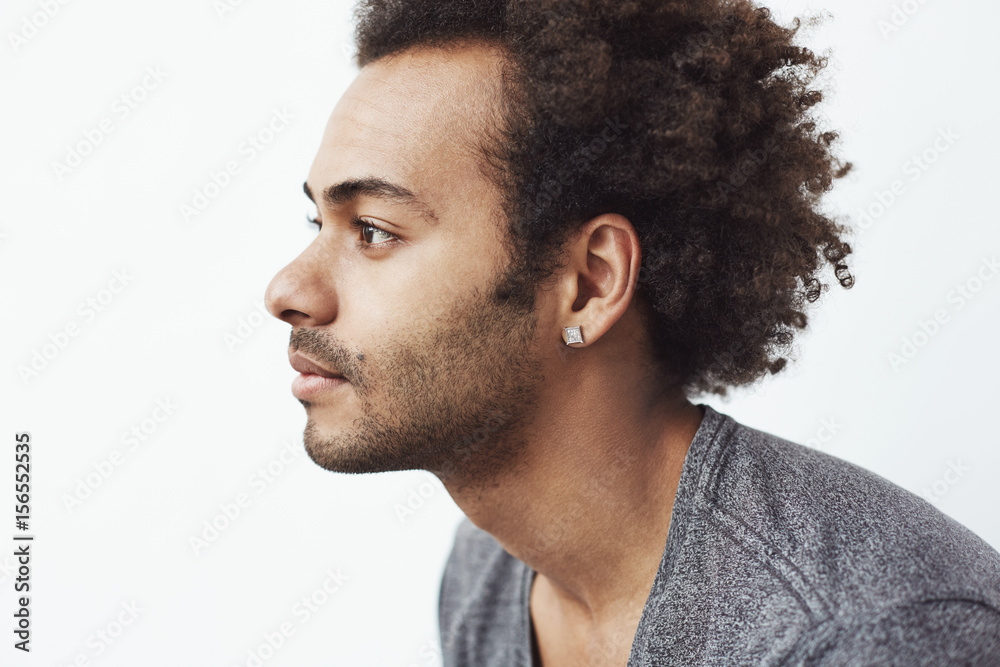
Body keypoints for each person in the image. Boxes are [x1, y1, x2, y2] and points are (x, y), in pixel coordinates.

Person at [263, 0, 1000, 664]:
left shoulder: (867, 633)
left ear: (589, 283)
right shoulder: (487, 575)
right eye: (316, 221)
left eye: (373, 230)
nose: (287, 290)